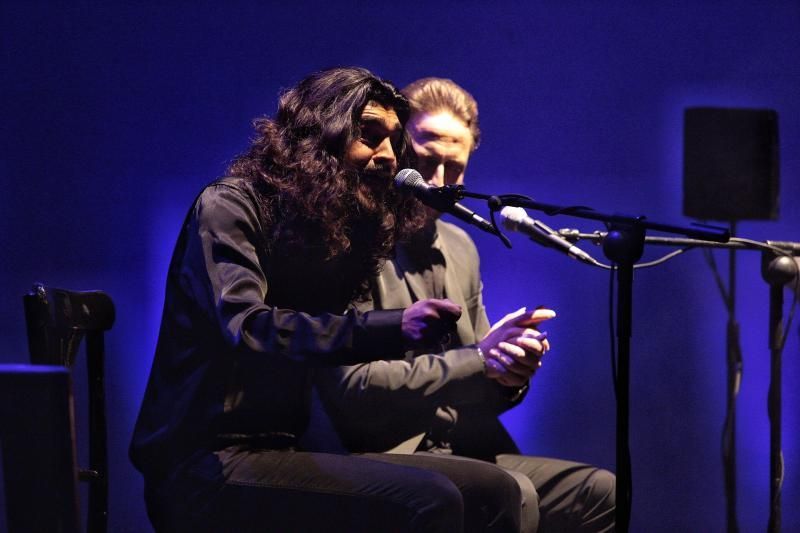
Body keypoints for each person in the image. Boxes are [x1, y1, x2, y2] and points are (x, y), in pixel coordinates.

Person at [129, 67, 551, 532]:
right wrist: (395, 326)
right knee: (429, 499)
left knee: (496, 490)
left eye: (394, 141)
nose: (389, 157)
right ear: (317, 138)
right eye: (370, 137)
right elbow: (247, 328)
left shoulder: (329, 227)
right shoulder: (230, 206)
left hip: (285, 451)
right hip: (205, 460)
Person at [308, 78, 616, 532]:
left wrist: (511, 370)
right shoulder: (349, 240)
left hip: (463, 447)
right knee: (504, 492)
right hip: (381, 454)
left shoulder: (461, 246)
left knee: (603, 493)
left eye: (455, 170)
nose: (438, 183)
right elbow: (352, 388)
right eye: (426, 162)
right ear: (396, 150)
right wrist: (477, 360)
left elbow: (479, 376)